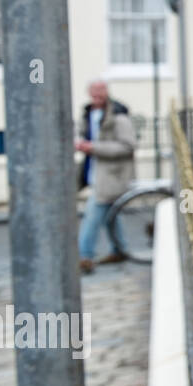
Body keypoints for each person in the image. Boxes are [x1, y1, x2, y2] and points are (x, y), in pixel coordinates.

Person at [74, 80, 136, 274]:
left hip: (112, 176)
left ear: (107, 92)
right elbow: (83, 135)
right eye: (93, 94)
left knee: (92, 216)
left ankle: (84, 255)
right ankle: (119, 249)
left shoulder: (119, 117)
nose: (97, 97)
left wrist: (94, 148)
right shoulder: (88, 114)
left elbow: (128, 146)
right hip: (95, 173)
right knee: (111, 216)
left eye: (100, 93)